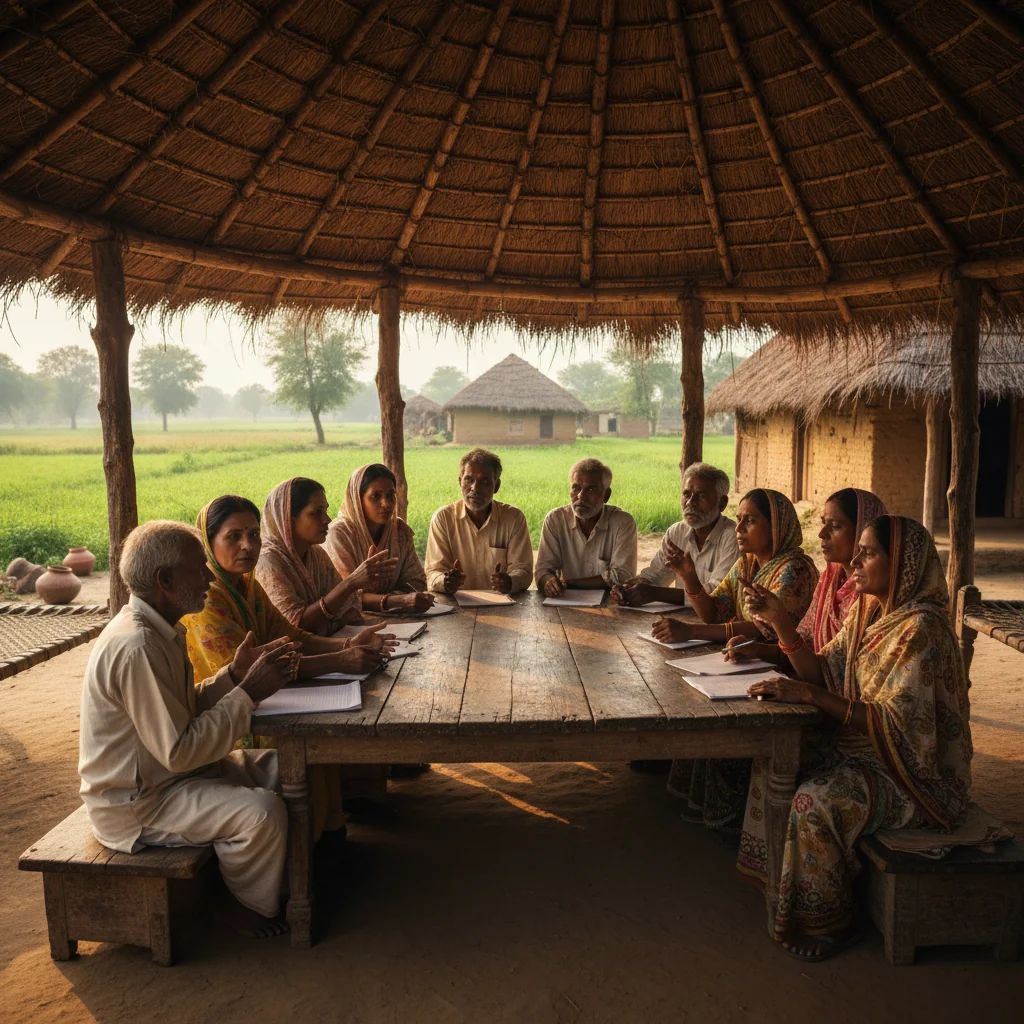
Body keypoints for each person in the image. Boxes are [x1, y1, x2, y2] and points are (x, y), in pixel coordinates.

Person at [741, 515, 972, 962]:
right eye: (859, 552)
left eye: (868, 554)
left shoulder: (921, 629)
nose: (855, 563)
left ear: (902, 563)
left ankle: (833, 922)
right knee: (775, 759)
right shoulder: (870, 613)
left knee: (814, 801)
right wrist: (782, 624)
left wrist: (807, 694)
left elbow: (898, 726)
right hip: (864, 751)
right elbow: (823, 671)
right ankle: (778, 881)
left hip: (913, 775)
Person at [79, 520, 294, 937]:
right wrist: (247, 694)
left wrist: (233, 676)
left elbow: (183, 707)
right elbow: (179, 750)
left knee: (285, 768)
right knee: (262, 813)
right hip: (141, 804)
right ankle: (239, 903)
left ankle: (272, 877)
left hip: (170, 778)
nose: (210, 578)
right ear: (165, 580)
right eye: (199, 569)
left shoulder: (158, 629)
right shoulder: (137, 645)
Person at [183, 495, 396, 841]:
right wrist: (339, 659)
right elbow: (256, 670)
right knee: (299, 737)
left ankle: (327, 835)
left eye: (253, 535)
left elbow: (290, 635)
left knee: (318, 729)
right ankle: (300, 850)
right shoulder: (206, 598)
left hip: (267, 693)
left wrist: (347, 645)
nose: (247, 546)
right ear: (208, 541)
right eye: (233, 537)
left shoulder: (247, 586)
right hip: (228, 712)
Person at [654, 488, 818, 829]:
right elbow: (714, 612)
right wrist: (688, 575)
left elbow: (762, 630)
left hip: (786, 671)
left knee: (720, 720)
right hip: (745, 664)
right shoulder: (748, 563)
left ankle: (733, 819)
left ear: (777, 527)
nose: (739, 528)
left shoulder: (795, 569)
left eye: (750, 520)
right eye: (739, 520)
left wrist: (691, 632)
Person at [724, 487, 887, 664]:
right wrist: (757, 649)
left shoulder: (874, 596)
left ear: (862, 531)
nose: (821, 534)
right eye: (823, 523)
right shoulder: (830, 581)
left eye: (835, 526)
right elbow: (805, 646)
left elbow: (828, 669)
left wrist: (779, 620)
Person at [256, 476, 400, 632]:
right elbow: (294, 626)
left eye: (325, 511)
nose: (327, 519)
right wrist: (350, 583)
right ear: (288, 518)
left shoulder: (315, 554)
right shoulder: (269, 560)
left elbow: (349, 609)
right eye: (317, 513)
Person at [611, 461, 737, 609]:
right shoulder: (677, 532)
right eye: (686, 494)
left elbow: (718, 594)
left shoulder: (732, 536)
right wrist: (629, 587)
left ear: (722, 503)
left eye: (701, 496)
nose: (691, 502)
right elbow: (656, 576)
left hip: (718, 625)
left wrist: (656, 594)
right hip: (682, 618)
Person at [325, 463, 433, 613]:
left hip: (396, 616)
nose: (386, 504)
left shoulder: (399, 531)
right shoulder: (339, 534)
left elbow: (417, 582)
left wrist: (396, 600)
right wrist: (396, 600)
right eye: (376, 496)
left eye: (390, 495)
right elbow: (342, 595)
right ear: (358, 499)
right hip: (348, 622)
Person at [425, 448, 533, 595]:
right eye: (469, 479)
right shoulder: (443, 518)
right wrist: (445, 581)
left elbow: (523, 570)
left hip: (502, 604)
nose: (475, 488)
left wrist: (510, 581)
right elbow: (433, 571)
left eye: (485, 481)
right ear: (459, 481)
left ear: (497, 486)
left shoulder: (513, 518)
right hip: (455, 605)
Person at [535, 458, 637, 595]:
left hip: (611, 602)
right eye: (576, 488)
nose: (581, 496)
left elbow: (623, 575)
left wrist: (570, 583)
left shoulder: (622, 522)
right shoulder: (555, 519)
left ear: (606, 495)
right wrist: (549, 582)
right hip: (566, 601)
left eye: (590, 489)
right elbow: (543, 569)